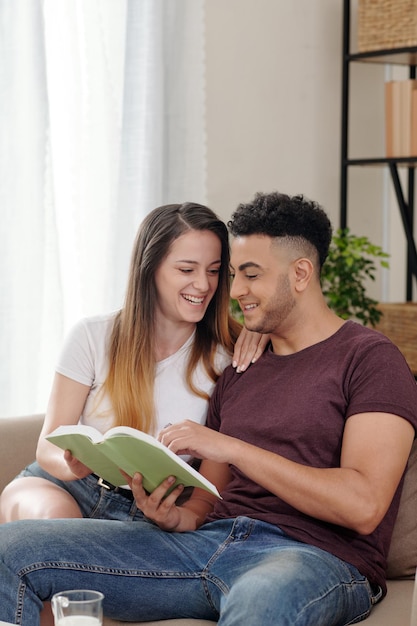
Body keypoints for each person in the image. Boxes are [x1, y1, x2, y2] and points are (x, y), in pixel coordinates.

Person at [1, 190, 417, 626]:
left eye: (249, 275)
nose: (233, 290)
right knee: (11, 549)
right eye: (233, 274)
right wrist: (176, 515)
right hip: (208, 544)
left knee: (263, 600)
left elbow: (363, 506)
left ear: (300, 273)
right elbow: (206, 500)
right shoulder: (241, 367)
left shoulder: (370, 358)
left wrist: (233, 449)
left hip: (310, 555)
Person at [0, 201, 266, 523]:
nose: (204, 284)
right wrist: (71, 464)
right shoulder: (92, 336)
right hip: (68, 488)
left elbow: (211, 490)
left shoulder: (230, 355)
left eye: (213, 270)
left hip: (154, 510)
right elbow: (47, 446)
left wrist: (263, 332)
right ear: (150, 268)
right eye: (186, 269)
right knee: (56, 521)